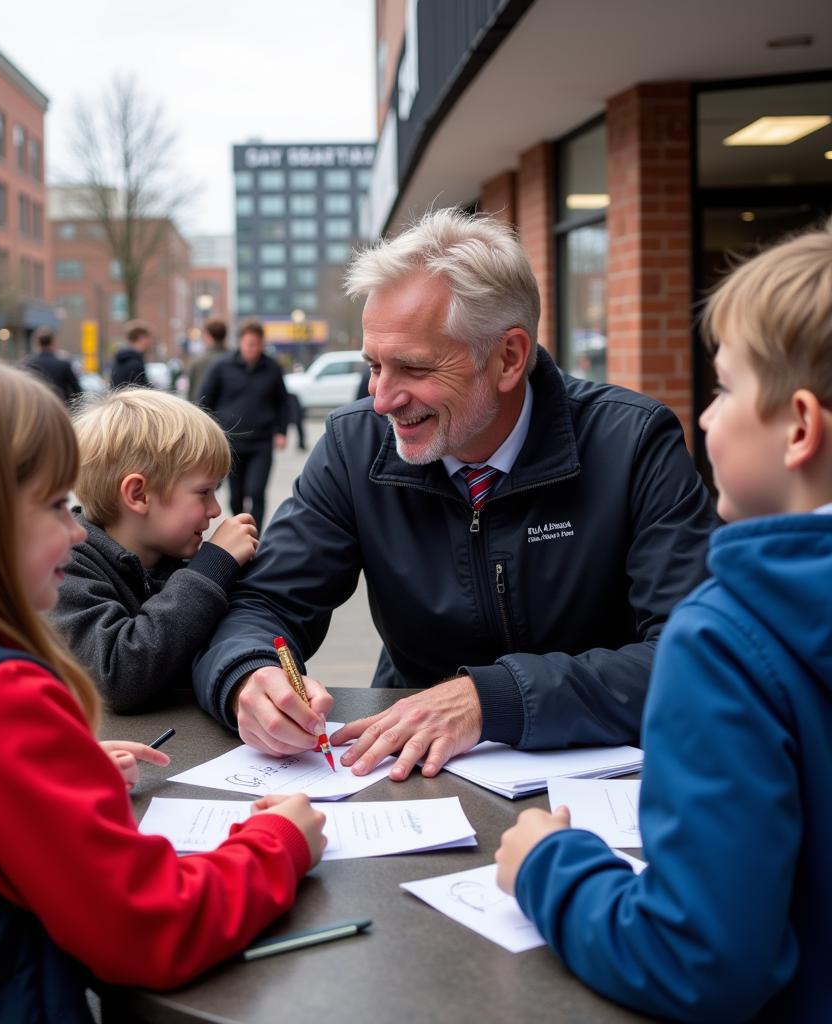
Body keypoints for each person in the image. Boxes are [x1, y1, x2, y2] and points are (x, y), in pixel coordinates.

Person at [0, 334, 324, 1020]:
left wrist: (58, 782)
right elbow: (149, 926)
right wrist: (277, 845)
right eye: (54, 505)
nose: (78, 532)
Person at [192, 208, 715, 780]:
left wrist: (490, 700)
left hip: (595, 778)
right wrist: (248, 674)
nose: (383, 399)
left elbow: (693, 656)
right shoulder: (354, 444)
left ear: (508, 358)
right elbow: (265, 604)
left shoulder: (632, 444)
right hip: (406, 773)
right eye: (373, 365)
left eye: (413, 367)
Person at [494, 224, 832, 1021]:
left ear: (798, 427)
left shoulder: (725, 641)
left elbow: (699, 957)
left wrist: (550, 866)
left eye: (722, 390)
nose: (706, 420)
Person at [50, 388, 259, 713]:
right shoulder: (65, 567)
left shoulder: (175, 559)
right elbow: (116, 676)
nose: (216, 510)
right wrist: (210, 570)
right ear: (138, 494)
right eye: (203, 492)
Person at [197, 320, 289, 525]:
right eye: (249, 344)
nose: (253, 349)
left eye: (257, 344)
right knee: (236, 495)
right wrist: (209, 432)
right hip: (231, 442)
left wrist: (282, 432)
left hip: (262, 441)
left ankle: (254, 535)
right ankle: (240, 529)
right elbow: (204, 399)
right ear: (240, 342)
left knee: (256, 491)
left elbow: (282, 402)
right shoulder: (221, 366)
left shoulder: (272, 367)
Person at [24, 326, 81, 404]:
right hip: (59, 408)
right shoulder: (63, 364)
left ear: (37, 342)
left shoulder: (28, 364)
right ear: (53, 342)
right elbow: (77, 391)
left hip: (36, 408)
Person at [187, 317, 228, 401]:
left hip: (203, 411)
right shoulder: (236, 360)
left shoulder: (197, 362)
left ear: (208, 336)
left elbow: (192, 394)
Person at [110, 319, 154, 388]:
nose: (151, 341)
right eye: (149, 337)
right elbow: (143, 388)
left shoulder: (122, 358)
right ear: (142, 338)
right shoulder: (134, 362)